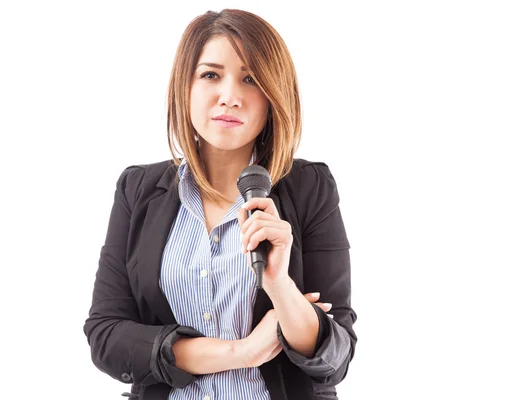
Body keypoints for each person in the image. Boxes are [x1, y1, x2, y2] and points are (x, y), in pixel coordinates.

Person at [83, 8, 357, 400]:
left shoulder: (309, 187)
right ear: (186, 86)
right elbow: (107, 336)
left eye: (251, 79)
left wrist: (280, 285)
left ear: (273, 95)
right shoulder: (138, 189)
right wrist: (239, 353)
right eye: (211, 74)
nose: (230, 97)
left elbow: (336, 357)